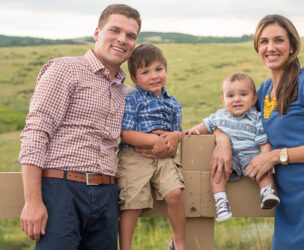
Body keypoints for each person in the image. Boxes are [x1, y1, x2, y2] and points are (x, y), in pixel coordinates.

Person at [210, 15, 304, 249]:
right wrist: (221, 138)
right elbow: (232, 119)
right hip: (288, 198)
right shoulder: (262, 91)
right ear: (257, 48)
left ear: (292, 45)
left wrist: (274, 156)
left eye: (278, 40)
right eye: (263, 41)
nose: (270, 47)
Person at [18, 4, 141, 250]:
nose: (122, 40)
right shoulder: (65, 69)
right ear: (97, 32)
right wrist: (32, 202)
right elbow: (36, 132)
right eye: (114, 30)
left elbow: (153, 135)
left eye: (130, 35)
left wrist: (222, 135)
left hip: (107, 195)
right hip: (61, 190)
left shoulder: (128, 94)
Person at [184, 73, 279, 222]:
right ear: (223, 100)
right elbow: (206, 125)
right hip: (231, 159)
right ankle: (221, 202)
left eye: (243, 94)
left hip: (251, 158)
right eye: (230, 96)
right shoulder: (220, 116)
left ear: (254, 99)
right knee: (217, 172)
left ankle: (267, 193)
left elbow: (263, 141)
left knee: (264, 173)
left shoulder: (257, 118)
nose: (237, 99)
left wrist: (265, 159)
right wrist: (193, 131)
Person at [117, 43, 185, 250]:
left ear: (165, 70)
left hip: (164, 158)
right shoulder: (133, 99)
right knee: (132, 204)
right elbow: (125, 133)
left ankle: (179, 242)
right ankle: (125, 247)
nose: (154, 76)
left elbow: (176, 130)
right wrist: (152, 140)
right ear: (135, 79)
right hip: (135, 156)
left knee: (174, 194)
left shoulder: (173, 103)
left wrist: (176, 136)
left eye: (158, 69)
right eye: (145, 72)